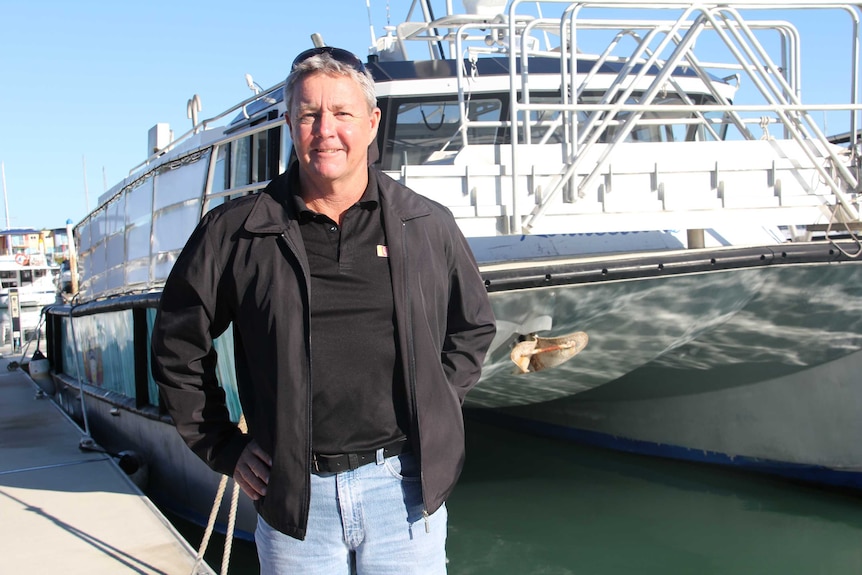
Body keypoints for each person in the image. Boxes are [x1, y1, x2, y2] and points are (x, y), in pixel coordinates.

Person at [150, 45, 496, 575]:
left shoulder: (426, 224)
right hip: (296, 501)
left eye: (341, 113)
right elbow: (177, 344)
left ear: (372, 122)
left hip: (403, 493)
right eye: (309, 114)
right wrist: (222, 446)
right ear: (290, 123)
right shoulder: (237, 231)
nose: (325, 129)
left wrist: (438, 400)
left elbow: (472, 325)